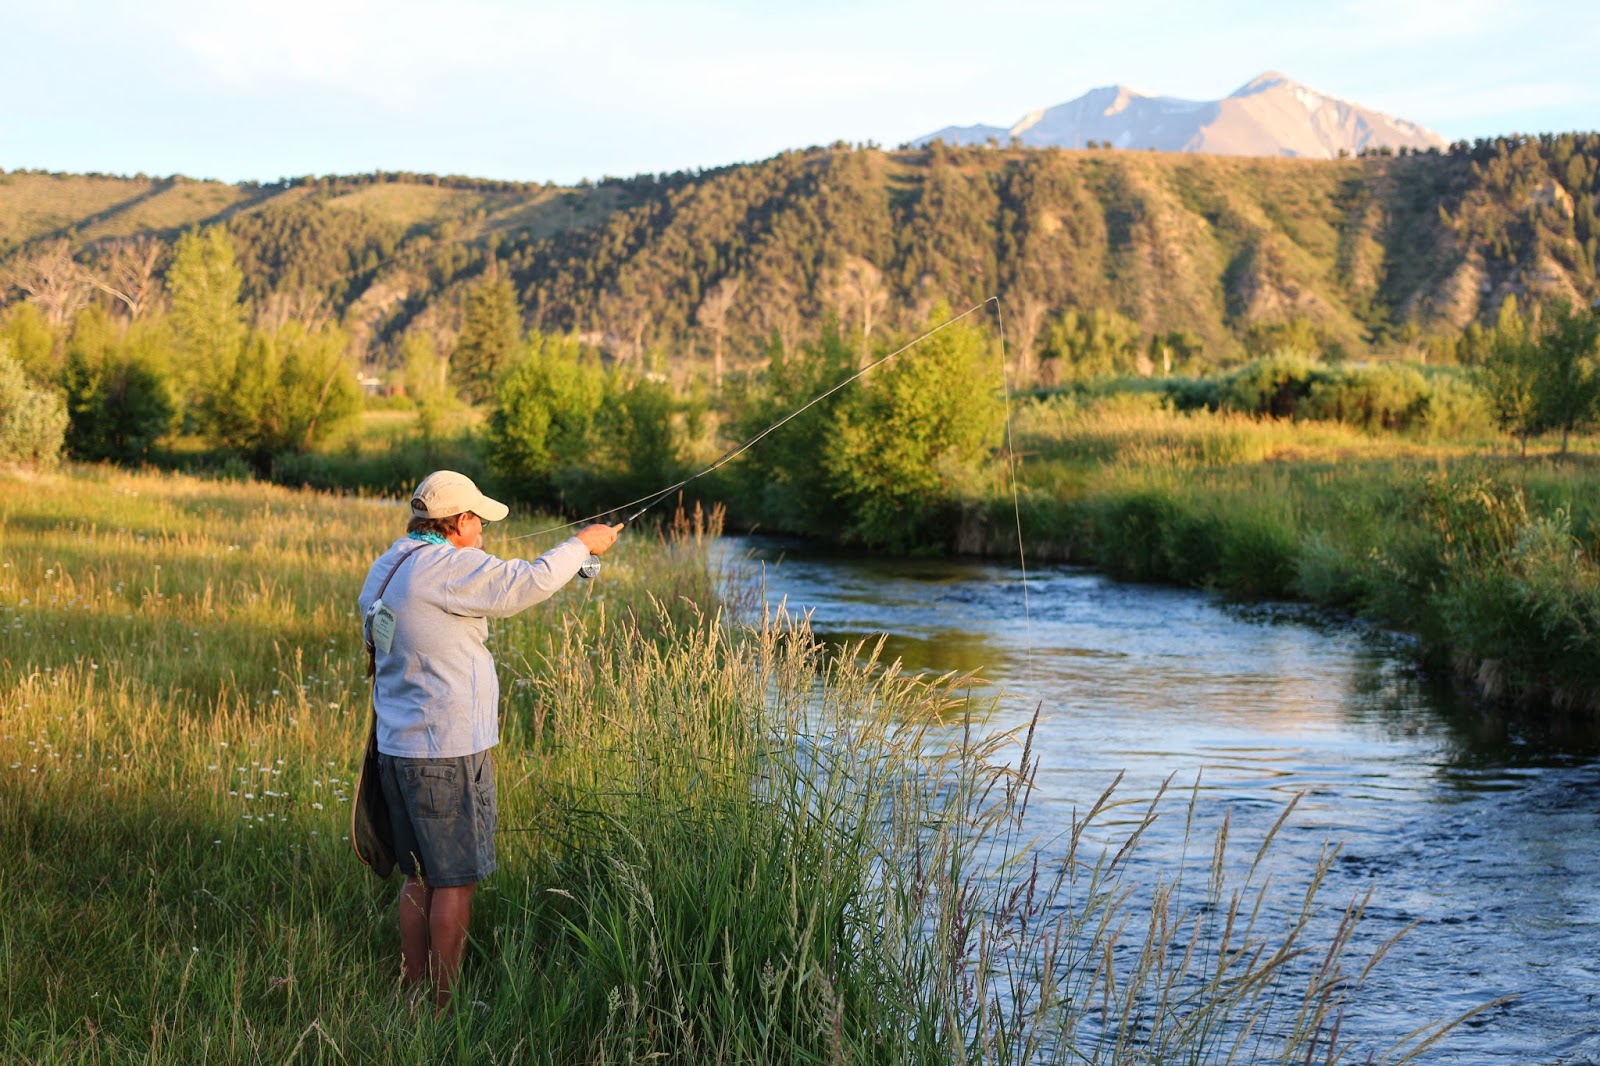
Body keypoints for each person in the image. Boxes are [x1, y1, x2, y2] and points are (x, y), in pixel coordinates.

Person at [358, 470, 620, 1009]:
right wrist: (582, 545)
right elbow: (526, 583)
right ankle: (442, 1008)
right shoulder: (447, 567)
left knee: (416, 876)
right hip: (446, 754)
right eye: (478, 521)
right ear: (458, 523)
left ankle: (414, 994)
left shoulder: (391, 563)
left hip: (397, 748)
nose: (483, 532)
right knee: (453, 881)